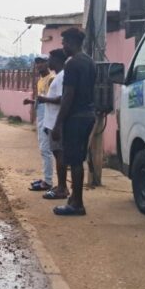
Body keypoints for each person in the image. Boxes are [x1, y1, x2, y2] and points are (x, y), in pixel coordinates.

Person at [51, 27, 97, 216]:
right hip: (88, 115)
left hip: (75, 118)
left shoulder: (71, 64)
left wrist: (58, 123)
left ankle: (77, 204)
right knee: (79, 159)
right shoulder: (90, 62)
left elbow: (68, 96)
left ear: (71, 42)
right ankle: (74, 198)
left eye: (63, 43)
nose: (62, 47)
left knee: (74, 161)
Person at [39, 49, 69, 201]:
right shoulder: (59, 76)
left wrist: (45, 100)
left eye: (50, 59)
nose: (48, 62)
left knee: (60, 155)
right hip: (52, 122)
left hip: (57, 123)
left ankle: (62, 188)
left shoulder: (62, 76)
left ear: (57, 60)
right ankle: (61, 185)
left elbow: (63, 99)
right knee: (57, 154)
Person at [23, 56, 54, 191]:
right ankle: (46, 178)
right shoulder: (40, 81)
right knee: (43, 149)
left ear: (48, 63)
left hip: (47, 116)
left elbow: (52, 99)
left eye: (42, 62)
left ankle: (48, 181)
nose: (39, 65)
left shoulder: (51, 79)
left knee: (46, 150)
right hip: (41, 116)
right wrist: (31, 102)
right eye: (37, 63)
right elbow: (41, 98)